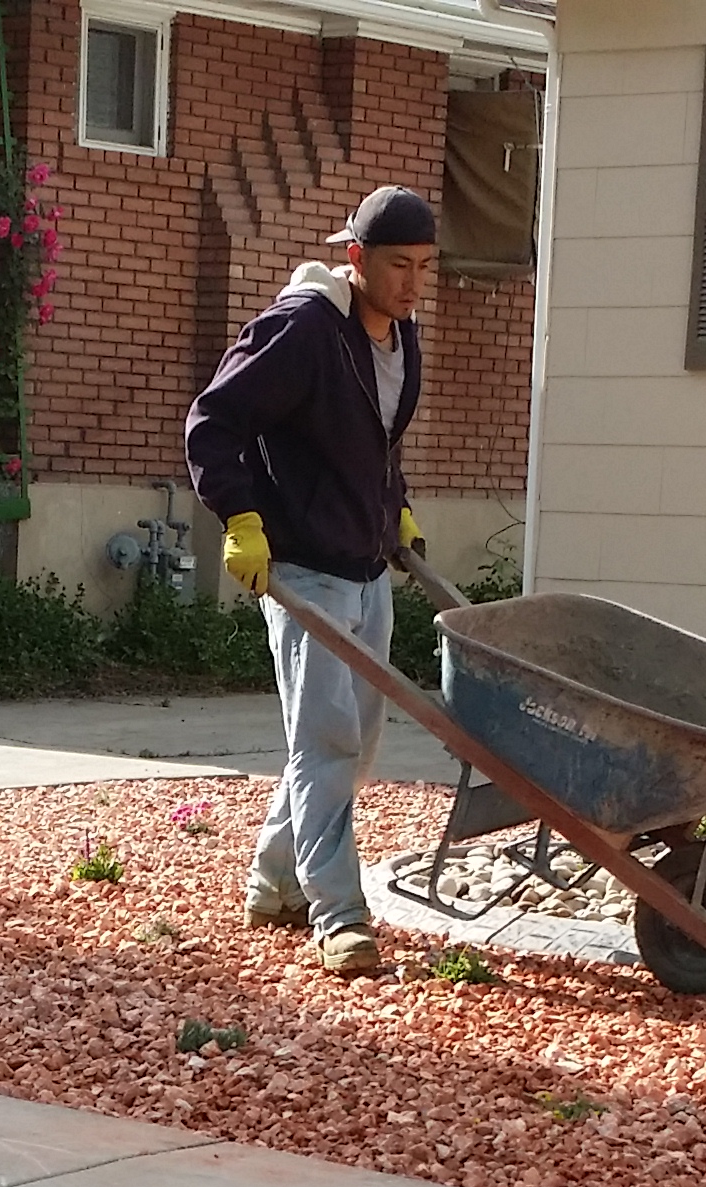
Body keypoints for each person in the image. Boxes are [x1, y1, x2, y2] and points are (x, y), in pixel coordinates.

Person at [188, 184, 441, 979]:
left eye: (424, 268)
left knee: (351, 747)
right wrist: (241, 518)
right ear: (355, 257)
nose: (411, 284)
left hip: (365, 565)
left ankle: (272, 883)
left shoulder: (403, 340)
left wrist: (394, 510)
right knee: (325, 743)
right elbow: (214, 421)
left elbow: (377, 446)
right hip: (304, 565)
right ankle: (339, 913)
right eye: (397, 265)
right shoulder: (300, 330)